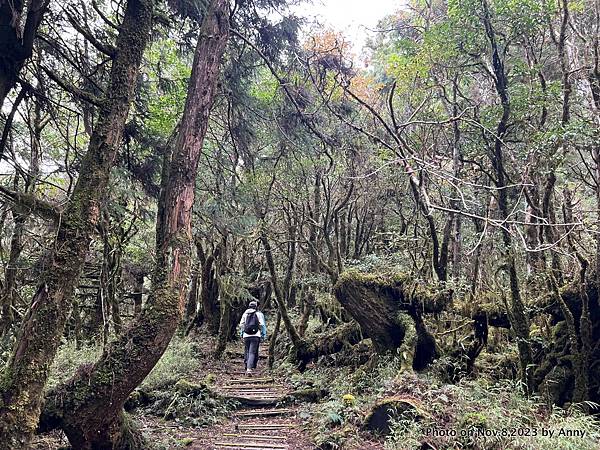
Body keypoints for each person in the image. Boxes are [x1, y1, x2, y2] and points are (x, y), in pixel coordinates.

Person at [239, 300, 267, 376]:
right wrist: (262, 334)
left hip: (246, 336)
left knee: (247, 351)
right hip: (255, 335)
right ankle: (249, 369)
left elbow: (241, 325)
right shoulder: (258, 314)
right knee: (252, 352)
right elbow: (262, 325)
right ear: (256, 307)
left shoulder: (245, 314)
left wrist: (243, 333)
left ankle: (247, 365)